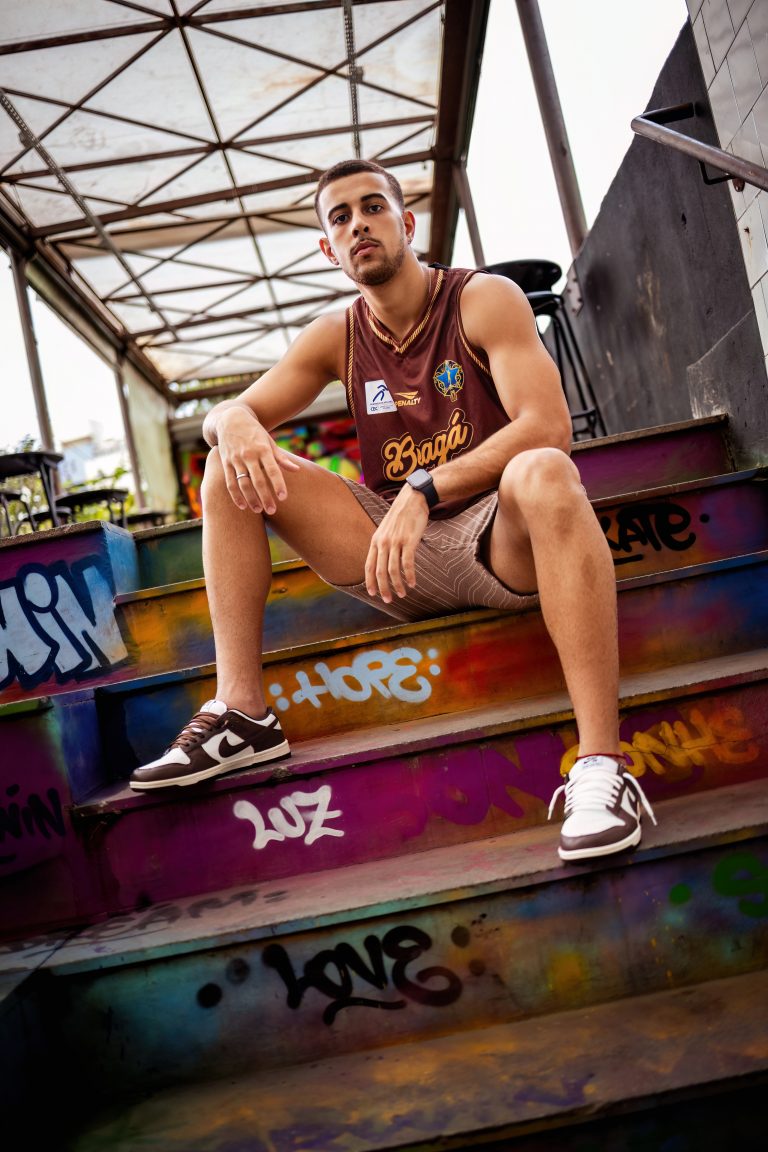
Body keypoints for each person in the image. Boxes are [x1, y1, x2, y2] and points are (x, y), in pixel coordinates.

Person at [130, 158, 656, 862]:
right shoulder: (336, 335)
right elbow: (228, 414)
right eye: (339, 218)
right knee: (228, 463)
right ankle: (244, 713)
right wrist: (234, 421)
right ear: (328, 249)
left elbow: (548, 425)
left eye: (372, 207)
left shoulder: (482, 299)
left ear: (406, 223)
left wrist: (424, 488)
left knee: (546, 470)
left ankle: (600, 766)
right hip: (393, 559)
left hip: (497, 542)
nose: (358, 225)